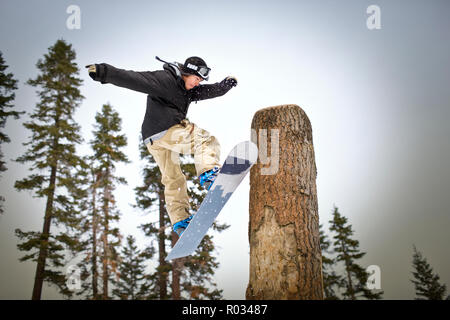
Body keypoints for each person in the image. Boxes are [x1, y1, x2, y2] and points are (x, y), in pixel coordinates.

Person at [86, 56, 237, 236]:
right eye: (197, 79)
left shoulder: (189, 90)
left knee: (172, 177)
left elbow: (208, 91)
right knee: (205, 140)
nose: (198, 84)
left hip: (153, 139)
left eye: (200, 81)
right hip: (167, 129)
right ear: (187, 72)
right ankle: (209, 173)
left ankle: (180, 220)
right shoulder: (166, 80)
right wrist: (104, 72)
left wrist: (225, 85)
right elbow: (135, 79)